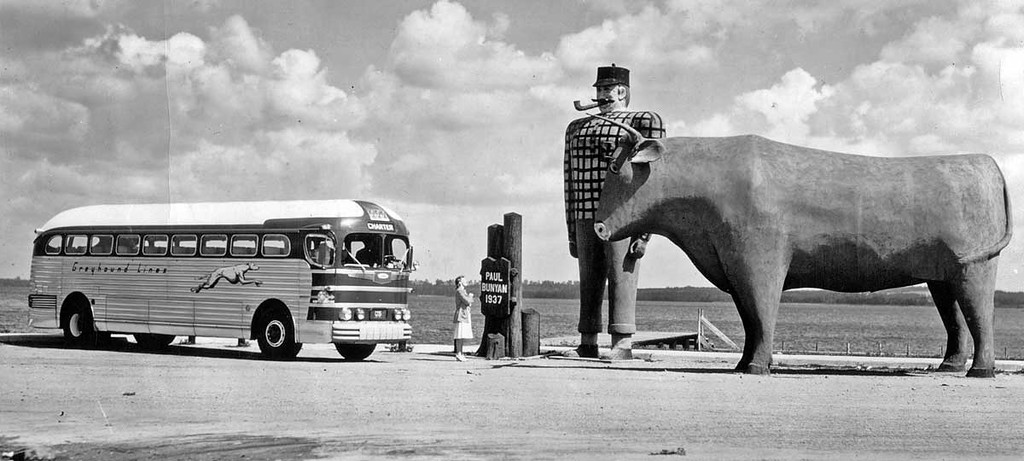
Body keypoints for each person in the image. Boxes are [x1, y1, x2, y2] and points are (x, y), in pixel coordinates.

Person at [563, 64, 665, 360]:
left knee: (622, 276)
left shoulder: (644, 121)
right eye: (599, 90)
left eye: (608, 89)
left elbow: (656, 178)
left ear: (623, 91)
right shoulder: (576, 128)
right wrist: (572, 229)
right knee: (589, 279)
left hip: (623, 213)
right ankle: (588, 339)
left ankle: (622, 341)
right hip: (585, 212)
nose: (603, 94)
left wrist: (646, 230)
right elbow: (569, 178)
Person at [452, 275, 474, 361]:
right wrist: (470, 296)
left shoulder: (462, 291)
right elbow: (468, 301)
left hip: (464, 314)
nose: (466, 281)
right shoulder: (460, 291)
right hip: (461, 315)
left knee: (462, 335)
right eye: (464, 280)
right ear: (460, 282)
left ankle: (460, 353)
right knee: (459, 335)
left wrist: (469, 299)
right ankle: (458, 353)